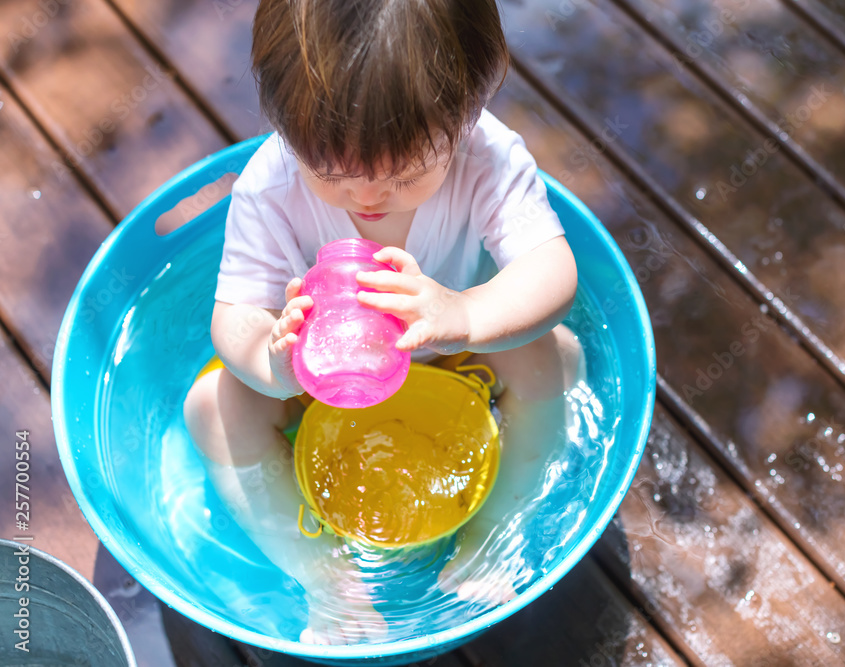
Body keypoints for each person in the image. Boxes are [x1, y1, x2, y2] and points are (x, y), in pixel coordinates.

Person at [183, 0, 582, 645]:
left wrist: (464, 313)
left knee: (554, 356)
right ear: (286, 128)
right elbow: (233, 315)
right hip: (320, 375)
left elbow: (553, 272)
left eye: (406, 175)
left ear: (468, 111)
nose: (366, 198)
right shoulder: (270, 184)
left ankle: (487, 541)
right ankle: (329, 587)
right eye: (331, 175)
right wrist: (274, 362)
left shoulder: (488, 157)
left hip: (444, 349)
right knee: (212, 409)